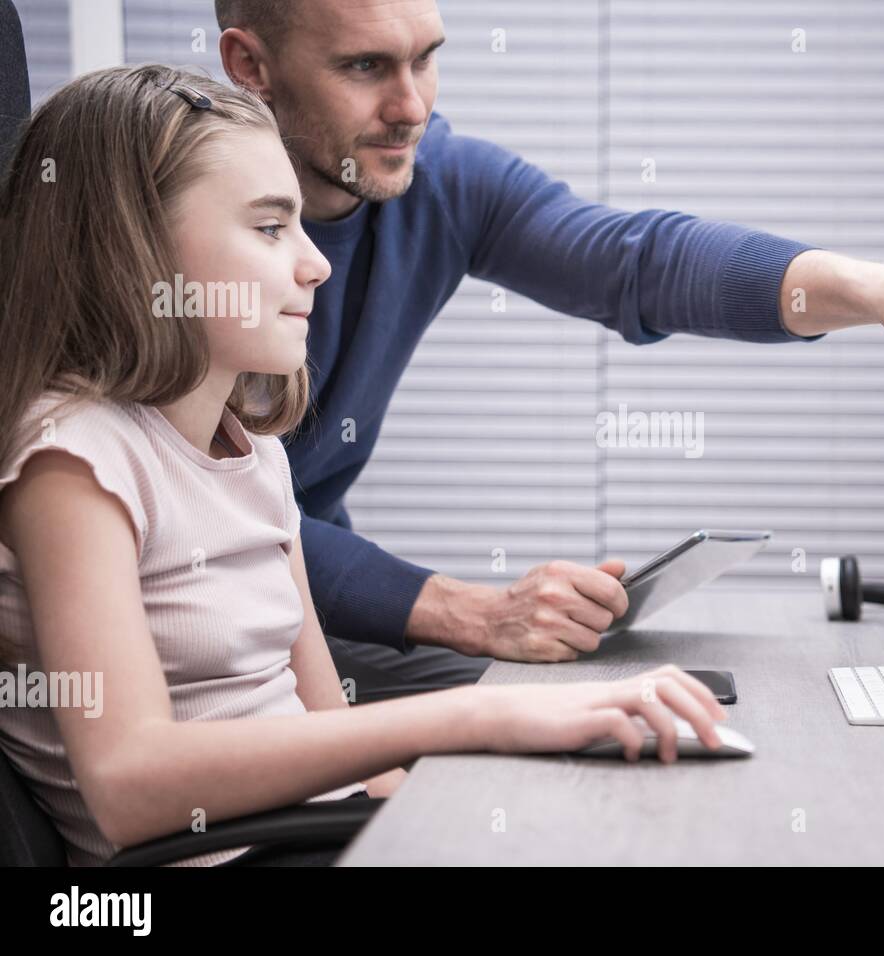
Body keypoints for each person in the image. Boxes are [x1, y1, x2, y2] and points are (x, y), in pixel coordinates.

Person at [210, 0, 884, 693]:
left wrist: (877, 290)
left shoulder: (440, 179)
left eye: (427, 57)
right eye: (364, 67)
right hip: (214, 639)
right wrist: (465, 609)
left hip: (323, 615)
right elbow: (211, 516)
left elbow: (639, 262)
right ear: (250, 66)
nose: (412, 107)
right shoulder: (169, 223)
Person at [0, 65, 728, 867]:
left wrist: (513, 784)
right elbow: (128, 783)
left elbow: (328, 731)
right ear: (137, 248)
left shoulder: (256, 453)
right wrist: (477, 718)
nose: (316, 264)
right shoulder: (73, 463)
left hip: (317, 833)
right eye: (272, 228)